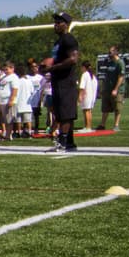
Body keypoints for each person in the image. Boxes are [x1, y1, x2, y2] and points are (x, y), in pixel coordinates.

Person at [41, 11, 80, 152]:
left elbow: (73, 59)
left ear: (66, 24)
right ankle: (69, 142)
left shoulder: (69, 39)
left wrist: (53, 67)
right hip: (58, 80)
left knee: (66, 112)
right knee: (60, 111)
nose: (55, 25)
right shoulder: (58, 41)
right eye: (55, 22)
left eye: (59, 22)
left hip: (66, 80)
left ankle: (62, 142)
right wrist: (45, 67)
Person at [97, 45, 125, 131]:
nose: (109, 53)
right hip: (107, 90)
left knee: (117, 107)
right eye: (109, 52)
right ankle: (102, 124)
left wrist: (116, 89)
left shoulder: (120, 63)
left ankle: (116, 125)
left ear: (116, 52)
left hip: (117, 90)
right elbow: (106, 76)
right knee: (105, 108)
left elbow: (121, 77)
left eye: (111, 51)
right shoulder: (109, 62)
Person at [77, 61, 98, 131]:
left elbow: (82, 87)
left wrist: (80, 96)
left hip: (86, 95)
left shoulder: (84, 75)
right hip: (92, 96)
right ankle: (88, 126)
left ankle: (88, 127)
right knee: (89, 111)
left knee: (86, 111)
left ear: (83, 67)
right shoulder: (92, 75)